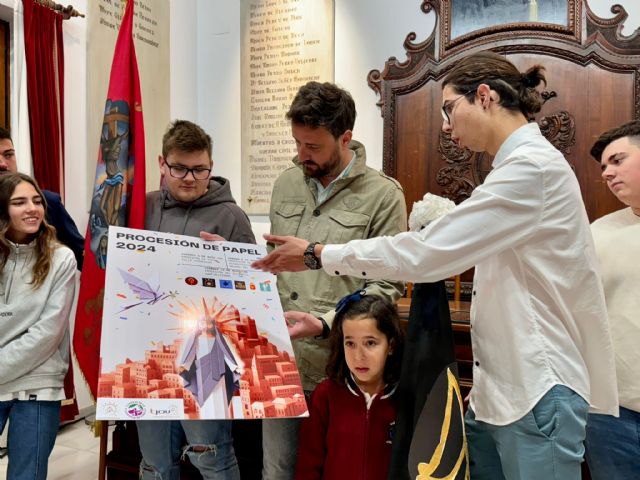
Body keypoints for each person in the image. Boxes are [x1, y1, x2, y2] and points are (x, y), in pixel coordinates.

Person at [253, 51, 619, 480]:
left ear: (484, 97)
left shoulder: (532, 170)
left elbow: (425, 254)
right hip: (502, 392)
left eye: (450, 109)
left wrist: (318, 254)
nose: (446, 126)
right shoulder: (512, 170)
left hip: (537, 389)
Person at [261, 81, 407, 480]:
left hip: (342, 365)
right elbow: (276, 267)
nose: (300, 155)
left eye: (313, 146)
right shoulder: (285, 184)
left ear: (345, 138)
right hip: (283, 363)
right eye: (297, 143)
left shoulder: (384, 195)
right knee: (278, 471)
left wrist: (326, 322)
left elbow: (385, 287)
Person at [136, 120, 255, 480]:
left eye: (199, 169)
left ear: (211, 168)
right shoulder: (144, 207)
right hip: (149, 354)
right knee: (155, 462)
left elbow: (256, 289)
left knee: (212, 457)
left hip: (207, 360)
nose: (189, 177)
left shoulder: (231, 216)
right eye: (179, 168)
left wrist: (234, 262)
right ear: (161, 164)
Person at [0, 172, 77, 480]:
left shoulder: (61, 259)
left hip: (38, 384)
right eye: (19, 202)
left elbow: (47, 333)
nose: (32, 208)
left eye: (37, 201)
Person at [294, 291, 404, 480]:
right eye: (350, 344)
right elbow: (308, 467)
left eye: (370, 343)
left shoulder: (405, 397)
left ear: (391, 345)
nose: (359, 356)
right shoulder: (325, 396)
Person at [584, 120, 640, 479]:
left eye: (618, 160)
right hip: (611, 413)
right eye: (603, 166)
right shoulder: (596, 234)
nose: (607, 173)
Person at [0, 127, 84, 270]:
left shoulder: (47, 203)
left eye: (8, 155)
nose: (2, 164)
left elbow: (83, 257)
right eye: (18, 203)